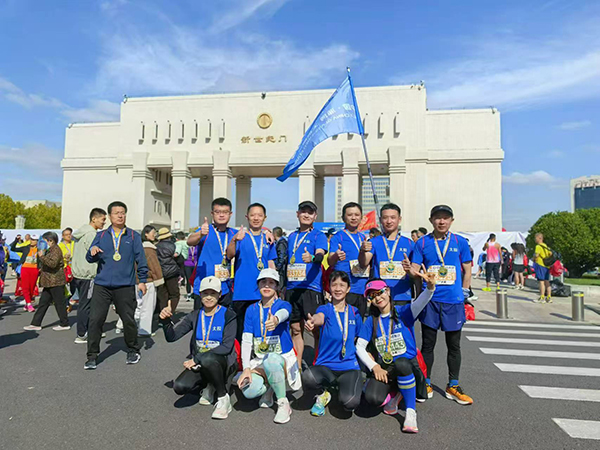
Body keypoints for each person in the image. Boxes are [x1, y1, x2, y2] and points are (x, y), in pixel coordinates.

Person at [357, 272, 437, 433]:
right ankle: (397, 392)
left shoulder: (403, 312)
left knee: (402, 363)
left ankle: (410, 413)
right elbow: (359, 346)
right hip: (386, 369)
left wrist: (430, 288)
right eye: (372, 296)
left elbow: (421, 302)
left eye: (379, 292)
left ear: (387, 291)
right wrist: (374, 367)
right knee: (372, 398)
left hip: (408, 366)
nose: (377, 298)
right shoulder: (372, 321)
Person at [410, 205, 473, 405]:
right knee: (428, 344)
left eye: (446, 218)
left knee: (454, 345)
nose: (441, 221)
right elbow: (414, 270)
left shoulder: (460, 242)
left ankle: (453, 385)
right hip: (430, 300)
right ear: (431, 220)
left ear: (452, 221)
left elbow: (468, 269)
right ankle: (425, 382)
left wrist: (464, 293)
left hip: (453, 301)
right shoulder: (422, 243)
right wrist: (411, 271)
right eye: (437, 218)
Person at [159, 275, 237, 419]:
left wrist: (197, 358)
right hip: (201, 363)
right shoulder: (195, 315)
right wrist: (165, 321)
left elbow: (226, 347)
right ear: (200, 295)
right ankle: (209, 384)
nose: (209, 297)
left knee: (208, 358)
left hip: (223, 363)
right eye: (205, 293)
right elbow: (172, 337)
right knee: (180, 386)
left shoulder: (228, 315)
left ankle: (223, 398)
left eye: (213, 293)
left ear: (220, 294)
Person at [84, 201, 149, 370]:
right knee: (95, 320)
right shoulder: (101, 236)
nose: (120, 215)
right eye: (116, 213)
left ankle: (133, 349)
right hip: (102, 285)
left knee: (128, 320)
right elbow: (89, 257)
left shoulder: (133, 236)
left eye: (123, 213)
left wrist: (142, 281)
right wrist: (92, 253)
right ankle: (92, 356)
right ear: (110, 216)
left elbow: (141, 260)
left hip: (125, 285)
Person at [237, 268, 300, 424]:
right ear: (258, 285)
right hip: (260, 359)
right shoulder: (251, 310)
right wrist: (246, 368)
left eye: (271, 283)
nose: (267, 286)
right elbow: (246, 340)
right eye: (263, 282)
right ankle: (272, 386)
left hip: (282, 359)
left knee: (271, 360)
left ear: (277, 286)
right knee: (249, 391)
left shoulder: (283, 304)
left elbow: (284, 313)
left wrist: (276, 320)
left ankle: (283, 402)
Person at [302, 271, 363, 416]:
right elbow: (319, 317)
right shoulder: (325, 309)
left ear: (348, 288)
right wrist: (313, 321)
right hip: (326, 366)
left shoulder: (354, 313)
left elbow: (357, 338)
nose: (338, 289)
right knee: (308, 377)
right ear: (329, 287)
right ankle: (324, 393)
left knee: (350, 403)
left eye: (342, 285)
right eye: (334, 285)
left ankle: (342, 386)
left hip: (349, 367)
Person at [285, 201, 328, 369]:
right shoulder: (291, 237)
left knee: (315, 328)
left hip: (311, 288)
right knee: (296, 329)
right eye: (303, 211)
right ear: (297, 214)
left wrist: (313, 258)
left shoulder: (319, 235)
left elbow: (320, 254)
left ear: (315, 216)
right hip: (292, 289)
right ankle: (297, 367)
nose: (306, 215)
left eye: (310, 212)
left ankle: (318, 365)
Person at [226, 203, 277, 341]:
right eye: (253, 215)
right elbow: (229, 255)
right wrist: (234, 240)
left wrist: (275, 289)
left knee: (261, 331)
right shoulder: (240, 236)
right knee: (241, 333)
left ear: (264, 218)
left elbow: (271, 263)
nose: (256, 218)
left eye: (259, 215)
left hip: (263, 292)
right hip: (242, 293)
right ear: (247, 217)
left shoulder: (268, 239)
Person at [358, 203, 414, 305]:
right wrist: (362, 251)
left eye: (393, 217)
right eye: (385, 218)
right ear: (380, 220)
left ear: (399, 219)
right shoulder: (374, 242)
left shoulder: (409, 243)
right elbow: (363, 263)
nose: (389, 221)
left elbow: (415, 272)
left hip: (402, 295)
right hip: (379, 295)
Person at [187, 198, 236, 309]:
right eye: (217, 212)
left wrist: (267, 233)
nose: (221, 215)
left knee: (223, 318)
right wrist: (200, 234)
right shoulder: (206, 230)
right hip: (204, 287)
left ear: (230, 214)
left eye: (225, 212)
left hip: (225, 288)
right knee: (201, 318)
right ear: (212, 214)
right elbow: (190, 241)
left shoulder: (234, 233)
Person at [116, 225, 163, 336]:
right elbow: (154, 266)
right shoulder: (149, 249)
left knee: (135, 304)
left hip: (134, 279)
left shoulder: (135, 247)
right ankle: (143, 330)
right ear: (146, 234)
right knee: (147, 306)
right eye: (153, 233)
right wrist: (159, 279)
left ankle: (121, 324)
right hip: (147, 280)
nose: (154, 235)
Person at [72, 208, 107, 344]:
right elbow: (96, 255)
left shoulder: (80, 233)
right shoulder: (92, 234)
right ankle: (82, 333)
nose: (104, 222)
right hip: (88, 274)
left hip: (79, 273)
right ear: (94, 219)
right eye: (103, 219)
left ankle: (92, 330)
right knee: (86, 305)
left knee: (87, 303)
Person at [328, 202, 369, 317]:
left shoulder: (363, 237)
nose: (353, 218)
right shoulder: (338, 237)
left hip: (362, 288)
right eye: (350, 215)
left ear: (361, 217)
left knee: (359, 322)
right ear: (343, 218)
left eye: (357, 215)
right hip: (345, 289)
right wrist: (336, 255)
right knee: (344, 322)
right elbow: (330, 261)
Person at [23, 232, 70, 331]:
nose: (42, 243)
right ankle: (36, 323)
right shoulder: (50, 250)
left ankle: (64, 323)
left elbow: (53, 264)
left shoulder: (56, 250)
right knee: (43, 303)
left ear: (50, 241)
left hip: (55, 281)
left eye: (44, 241)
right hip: (49, 281)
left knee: (59, 303)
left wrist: (42, 257)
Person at [156, 228, 181, 313]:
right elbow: (179, 259)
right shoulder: (174, 245)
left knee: (162, 295)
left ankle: (162, 312)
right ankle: (170, 311)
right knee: (174, 294)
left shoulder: (156, 246)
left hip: (160, 273)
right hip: (172, 272)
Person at [11, 234, 39, 312]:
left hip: (35, 269)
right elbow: (13, 248)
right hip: (25, 268)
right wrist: (16, 240)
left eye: (34, 240)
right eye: (31, 239)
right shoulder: (26, 248)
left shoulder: (40, 249)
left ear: (37, 241)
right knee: (25, 286)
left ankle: (27, 303)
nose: (32, 241)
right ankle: (29, 304)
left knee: (32, 287)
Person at [58, 227, 77, 306]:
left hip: (74, 268)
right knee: (64, 286)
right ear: (63, 236)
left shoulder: (74, 243)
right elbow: (58, 257)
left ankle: (71, 301)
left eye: (70, 234)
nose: (69, 236)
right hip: (65, 268)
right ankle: (65, 302)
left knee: (74, 286)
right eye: (66, 235)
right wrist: (64, 257)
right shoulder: (60, 245)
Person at [533, 233, 552, 303]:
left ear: (539, 238)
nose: (535, 239)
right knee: (547, 281)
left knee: (541, 281)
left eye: (536, 238)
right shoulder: (545, 246)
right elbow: (550, 254)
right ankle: (549, 297)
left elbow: (536, 255)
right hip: (547, 266)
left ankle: (542, 297)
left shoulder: (538, 246)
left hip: (540, 264)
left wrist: (534, 259)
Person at [183, 235, 197, 302]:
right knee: (188, 280)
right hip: (187, 264)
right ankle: (188, 294)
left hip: (195, 264)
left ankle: (195, 293)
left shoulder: (197, 246)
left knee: (195, 279)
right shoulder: (186, 247)